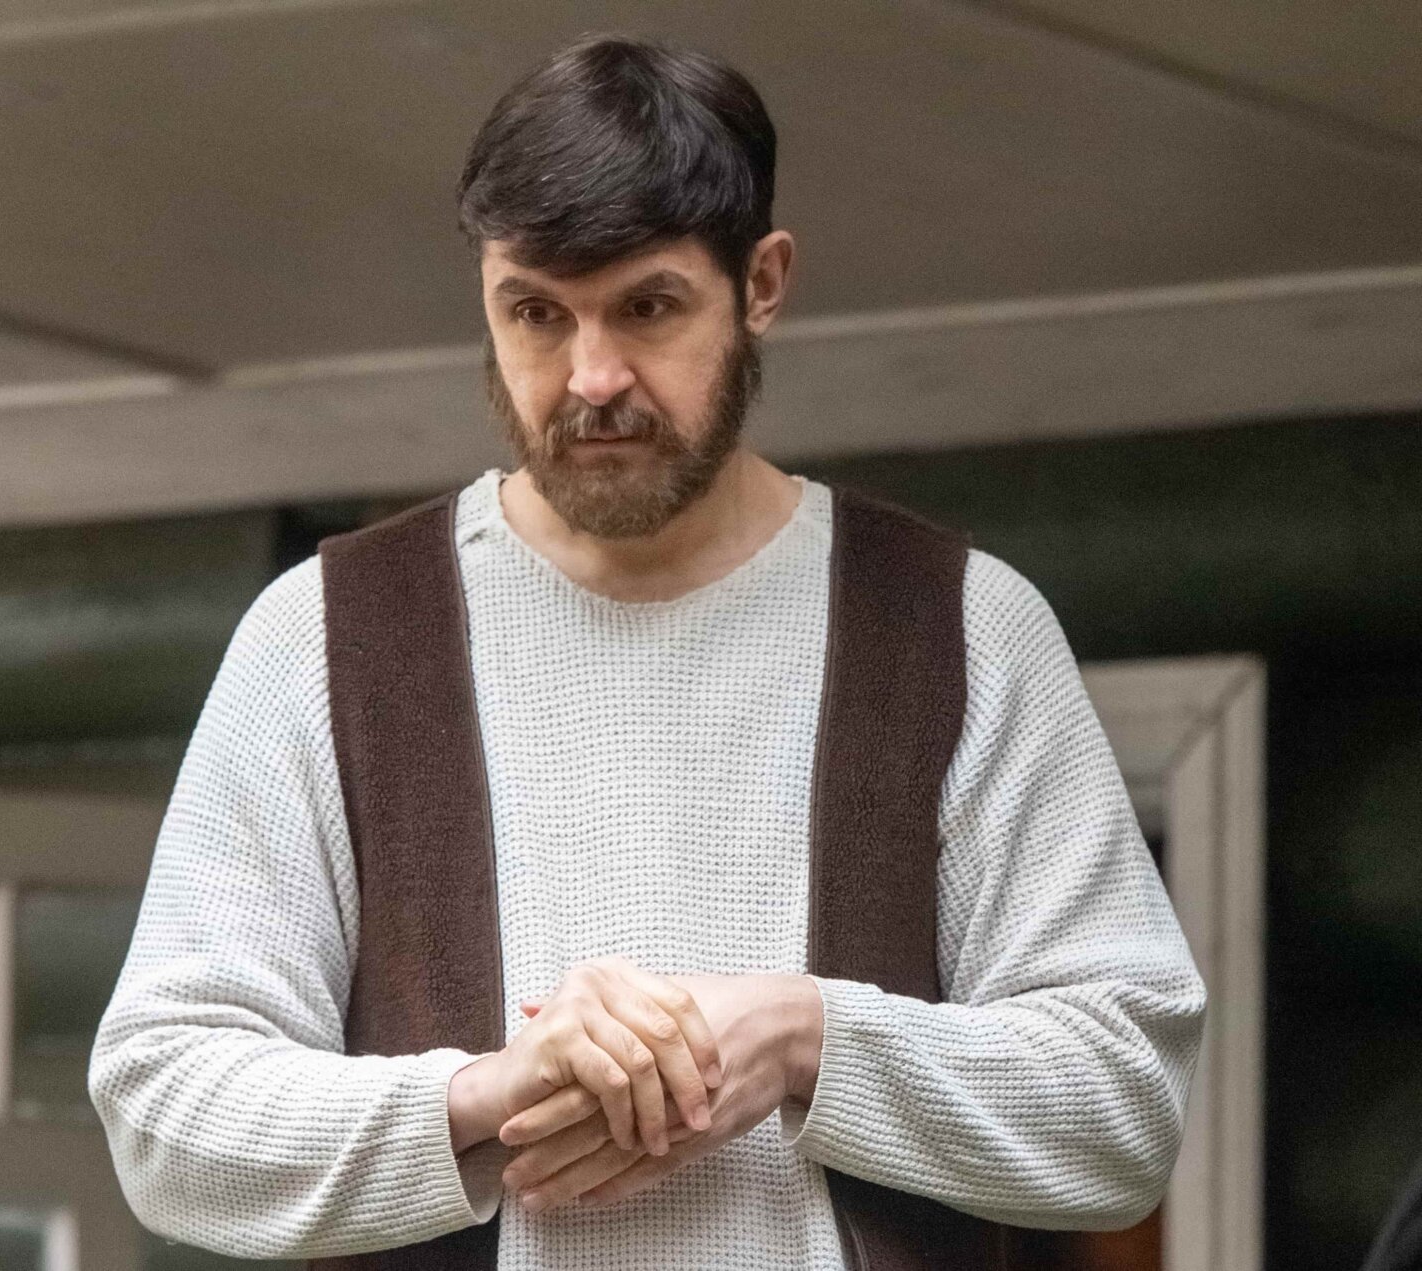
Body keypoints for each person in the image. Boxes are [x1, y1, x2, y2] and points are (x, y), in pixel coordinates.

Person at [90, 33, 1205, 1268]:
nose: (592, 375)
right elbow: (163, 1111)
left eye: (648, 307)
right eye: (536, 313)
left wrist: (804, 1038)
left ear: (762, 283)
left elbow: (1127, 1100)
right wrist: (483, 1096)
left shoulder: (958, 626)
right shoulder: (324, 638)